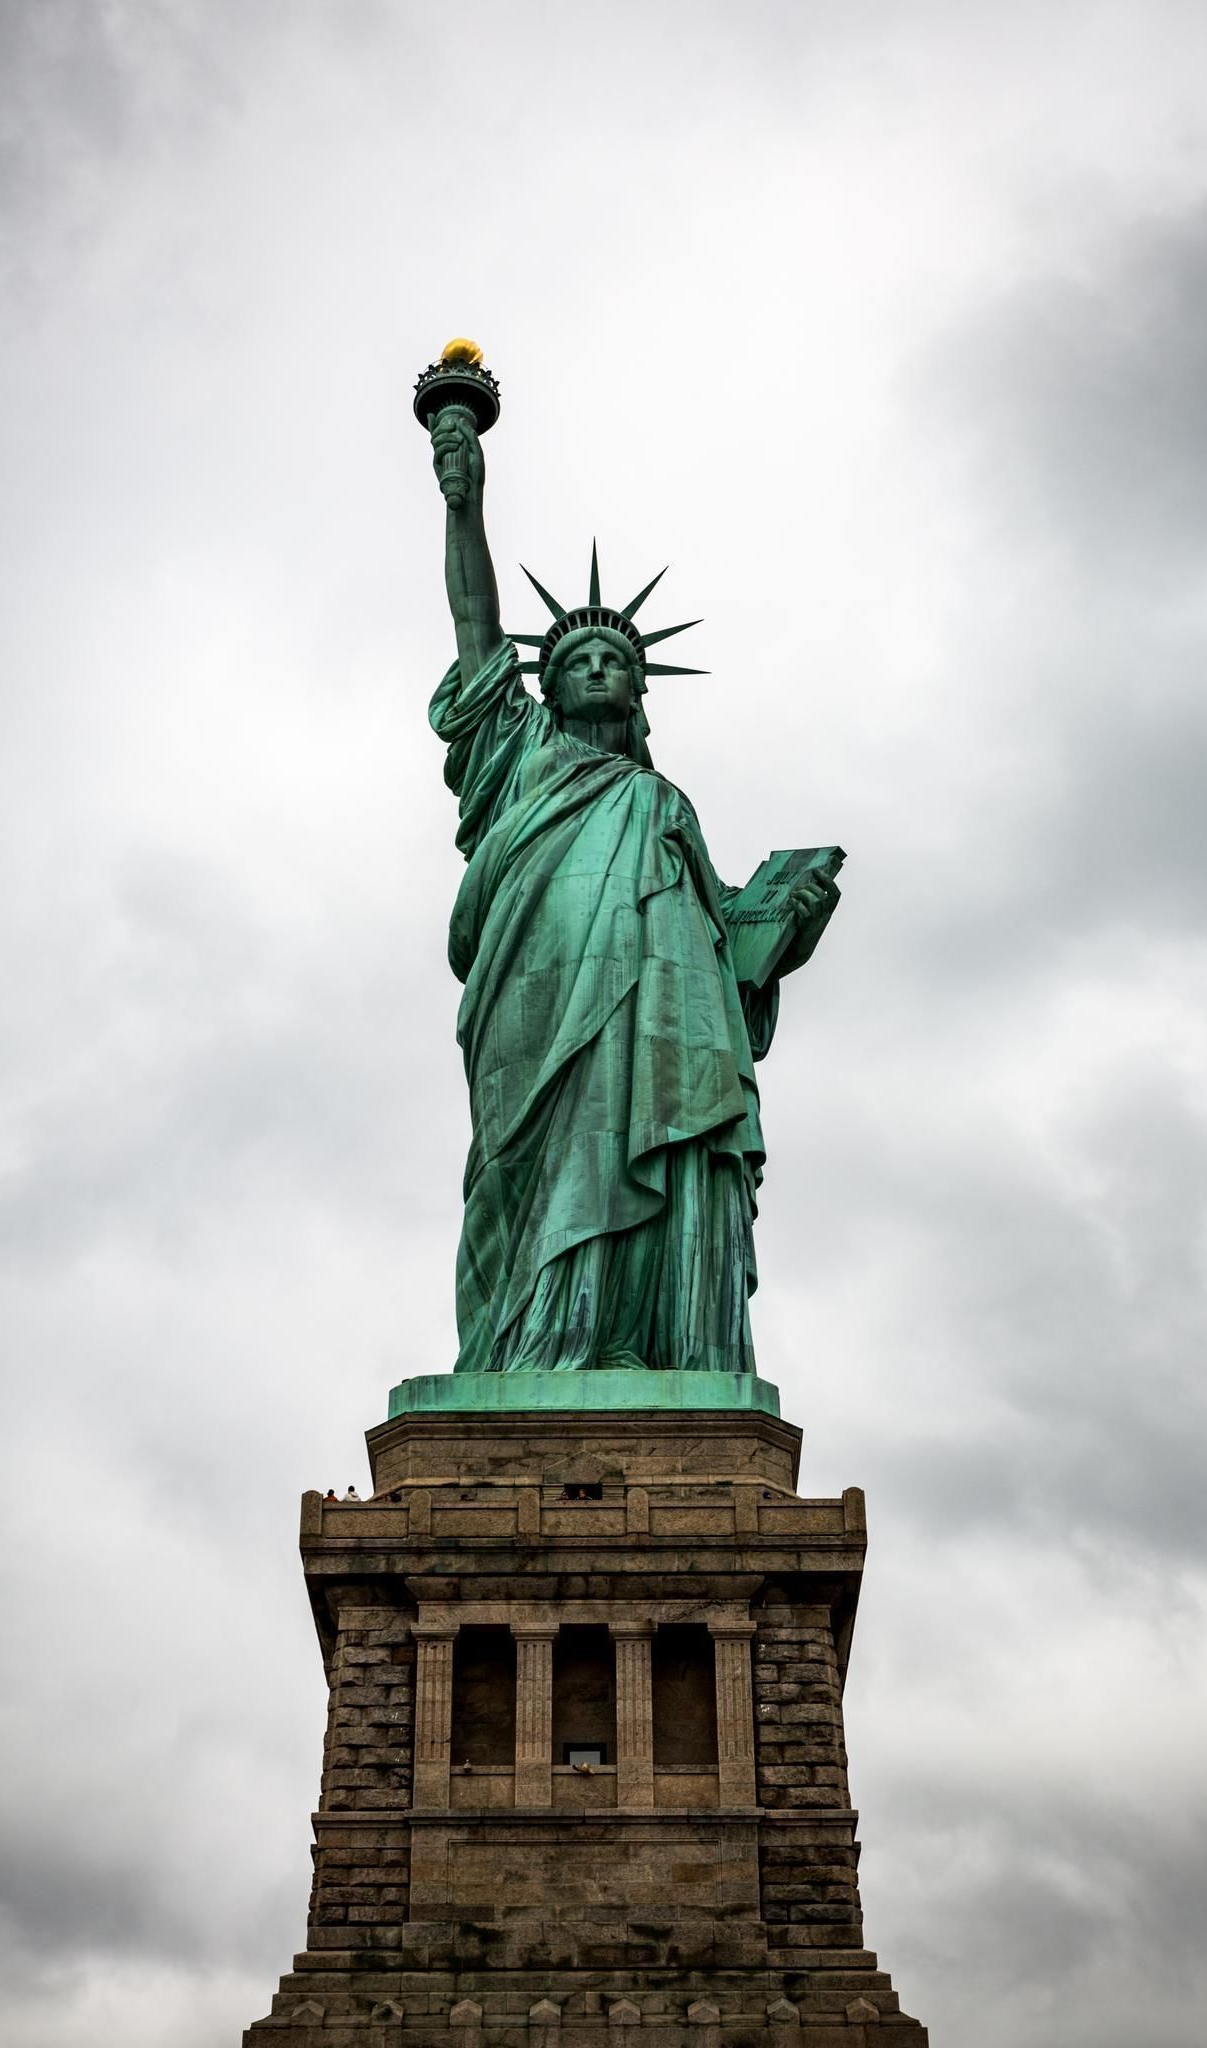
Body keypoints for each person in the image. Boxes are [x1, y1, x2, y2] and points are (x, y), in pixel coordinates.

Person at [427, 408, 838, 1379]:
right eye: (576, 661)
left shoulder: (663, 801)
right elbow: (476, 629)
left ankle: (631, 1336)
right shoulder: (519, 755)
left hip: (659, 1014)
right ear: (550, 687)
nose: (597, 667)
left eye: (615, 659)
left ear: (637, 687)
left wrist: (785, 927)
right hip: (537, 998)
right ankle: (531, 1342)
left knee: (648, 1136)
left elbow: (721, 944)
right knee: (533, 1162)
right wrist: (463, 503)